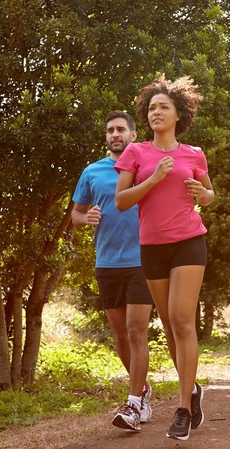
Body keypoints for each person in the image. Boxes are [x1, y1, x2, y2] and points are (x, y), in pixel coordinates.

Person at [114, 75, 214, 441]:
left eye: (163, 107)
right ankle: (193, 390)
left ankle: (183, 408)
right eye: (152, 107)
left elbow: (208, 194)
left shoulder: (193, 153)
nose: (156, 112)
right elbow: (121, 200)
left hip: (188, 241)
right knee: (171, 328)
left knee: (180, 319)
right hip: (151, 247)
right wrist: (154, 178)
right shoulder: (136, 153)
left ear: (178, 114)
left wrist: (202, 194)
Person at [72, 110, 154, 432]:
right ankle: (143, 390)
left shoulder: (146, 168)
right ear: (106, 137)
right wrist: (86, 217)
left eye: (121, 129)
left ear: (133, 135)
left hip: (142, 261)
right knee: (121, 335)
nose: (115, 134)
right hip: (107, 263)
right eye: (110, 130)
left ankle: (134, 403)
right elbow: (75, 215)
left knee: (136, 330)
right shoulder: (92, 172)